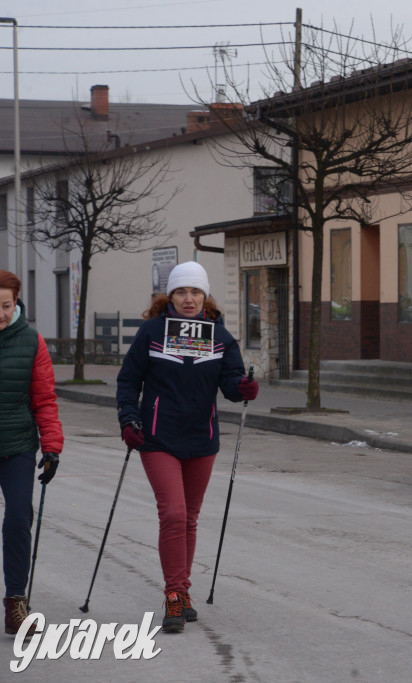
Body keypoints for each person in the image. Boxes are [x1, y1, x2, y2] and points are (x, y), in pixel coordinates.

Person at [116, 261, 258, 633]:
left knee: (189, 519)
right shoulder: (151, 333)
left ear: (205, 296)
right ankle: (174, 595)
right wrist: (128, 419)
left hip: (201, 439)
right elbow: (128, 382)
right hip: (158, 438)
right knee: (174, 514)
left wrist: (243, 387)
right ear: (170, 296)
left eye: (196, 292)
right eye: (181, 292)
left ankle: (184, 591)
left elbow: (230, 384)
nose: (189, 299)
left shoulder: (220, 337)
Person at [0, 270, 63, 636]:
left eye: (6, 306)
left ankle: (16, 603)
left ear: (16, 303)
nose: (1, 314)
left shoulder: (31, 342)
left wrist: (52, 447)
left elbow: (44, 399)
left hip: (17, 446)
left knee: (20, 519)